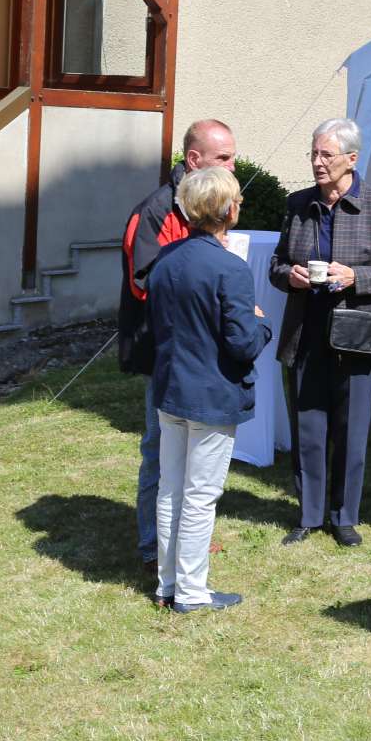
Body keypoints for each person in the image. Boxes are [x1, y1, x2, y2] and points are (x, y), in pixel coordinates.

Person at [270, 119, 371, 548]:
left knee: (352, 429)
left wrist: (356, 276)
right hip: (307, 331)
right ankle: (309, 515)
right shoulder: (298, 204)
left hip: (360, 334)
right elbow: (277, 263)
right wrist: (289, 276)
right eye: (313, 153)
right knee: (308, 427)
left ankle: (344, 516)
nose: (317, 162)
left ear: (352, 159)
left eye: (325, 155)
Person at [147, 167, 273, 612]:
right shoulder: (229, 268)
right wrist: (262, 324)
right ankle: (193, 592)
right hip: (211, 395)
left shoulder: (165, 259)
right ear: (227, 209)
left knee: (172, 490)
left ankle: (168, 583)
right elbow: (242, 344)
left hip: (170, 389)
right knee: (199, 496)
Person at [117, 119, 236, 572]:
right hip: (163, 352)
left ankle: (187, 541)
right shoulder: (155, 210)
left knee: (194, 454)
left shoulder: (211, 204)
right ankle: (152, 547)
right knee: (159, 447)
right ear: (194, 160)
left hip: (199, 350)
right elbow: (145, 281)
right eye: (223, 158)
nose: (232, 166)